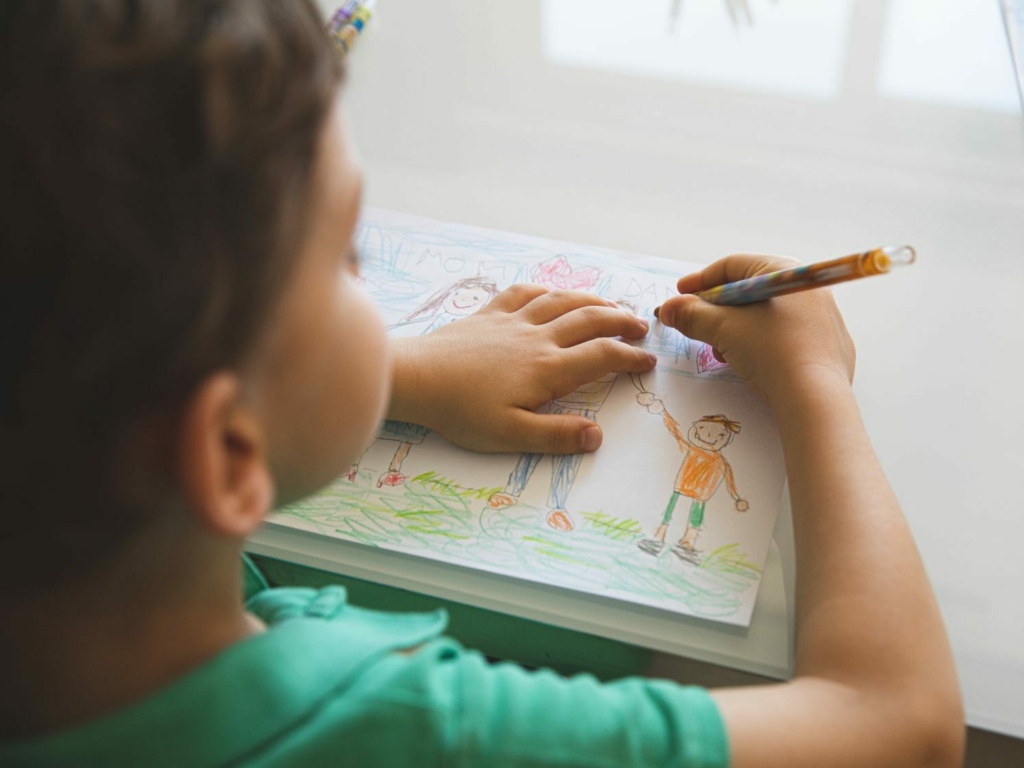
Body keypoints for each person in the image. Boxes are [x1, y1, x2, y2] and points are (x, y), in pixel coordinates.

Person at [0, 2, 963, 767]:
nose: (369, 288)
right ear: (229, 449)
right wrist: (815, 382)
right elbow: (899, 727)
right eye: (350, 259)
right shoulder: (412, 729)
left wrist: (403, 370)